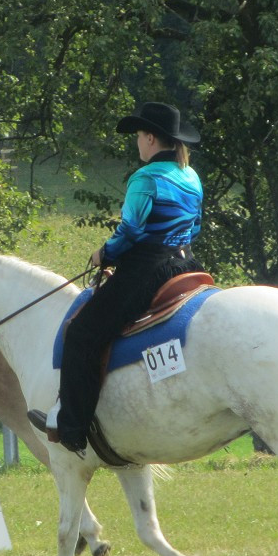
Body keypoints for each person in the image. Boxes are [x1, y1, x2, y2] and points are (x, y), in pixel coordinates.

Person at [50, 102, 204, 454]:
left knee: (81, 333)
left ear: (151, 138)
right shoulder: (190, 176)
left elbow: (132, 229)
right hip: (186, 263)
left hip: (146, 269)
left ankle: (72, 430)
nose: (137, 143)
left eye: (138, 136)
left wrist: (106, 254)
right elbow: (194, 226)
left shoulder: (146, 178)